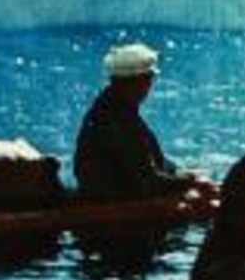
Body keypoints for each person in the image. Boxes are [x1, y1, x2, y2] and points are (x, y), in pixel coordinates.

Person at [74, 43, 215, 200]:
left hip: (113, 192)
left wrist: (182, 174)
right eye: (148, 80)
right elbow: (147, 182)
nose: (149, 86)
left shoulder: (110, 107)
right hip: (113, 201)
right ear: (136, 81)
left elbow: (150, 161)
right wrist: (190, 183)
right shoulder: (118, 119)